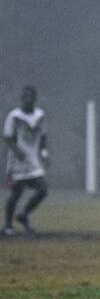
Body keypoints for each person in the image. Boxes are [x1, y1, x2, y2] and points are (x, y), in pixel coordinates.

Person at [3, 86, 48, 235]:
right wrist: (17, 151)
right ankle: (8, 226)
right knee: (16, 193)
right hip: (18, 161)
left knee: (43, 190)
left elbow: (43, 136)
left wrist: (44, 153)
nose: (27, 99)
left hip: (33, 160)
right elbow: (8, 137)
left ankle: (23, 215)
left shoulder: (40, 115)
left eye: (30, 97)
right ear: (22, 99)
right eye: (25, 97)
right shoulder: (14, 116)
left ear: (34, 99)